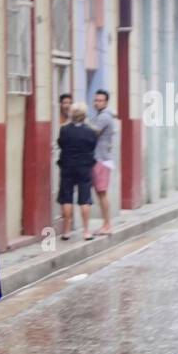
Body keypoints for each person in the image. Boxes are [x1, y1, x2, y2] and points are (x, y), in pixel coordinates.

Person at [56, 102, 98, 240]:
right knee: (85, 198)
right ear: (84, 115)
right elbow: (92, 146)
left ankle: (66, 231)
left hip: (67, 166)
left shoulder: (64, 130)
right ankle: (86, 231)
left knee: (66, 198)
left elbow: (61, 144)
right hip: (84, 167)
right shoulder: (90, 131)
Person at [91, 89, 117, 235]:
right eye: (96, 100)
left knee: (102, 194)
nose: (97, 103)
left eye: (100, 100)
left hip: (100, 159)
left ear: (106, 102)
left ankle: (107, 225)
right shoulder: (103, 115)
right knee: (101, 193)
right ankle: (106, 224)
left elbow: (93, 134)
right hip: (102, 158)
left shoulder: (103, 118)